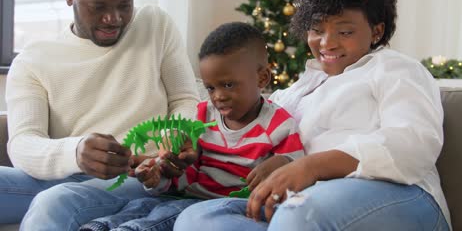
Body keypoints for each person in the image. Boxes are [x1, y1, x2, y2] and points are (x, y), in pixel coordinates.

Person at [174, 0, 452, 230]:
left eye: (344, 32)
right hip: (303, 202)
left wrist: (311, 166)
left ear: (376, 32)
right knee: (197, 218)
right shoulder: (297, 91)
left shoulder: (395, 69)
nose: (326, 43)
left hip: (401, 193)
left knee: (300, 214)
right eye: (317, 29)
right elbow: (251, 127)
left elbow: (413, 143)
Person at [0, 0, 200, 229]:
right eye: (98, 7)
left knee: (55, 201)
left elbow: (185, 99)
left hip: (137, 179)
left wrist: (174, 136)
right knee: (56, 193)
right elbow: (23, 144)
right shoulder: (33, 61)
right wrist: (76, 152)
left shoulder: (155, 24)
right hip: (64, 174)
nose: (113, 19)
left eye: (124, 5)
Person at [78, 22, 305, 230]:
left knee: (165, 215)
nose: (219, 97)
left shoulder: (280, 125)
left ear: (262, 78)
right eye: (210, 88)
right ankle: (102, 226)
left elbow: (299, 175)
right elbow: (183, 171)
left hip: (226, 206)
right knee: (145, 205)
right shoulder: (201, 115)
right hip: (184, 195)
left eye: (228, 84)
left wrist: (283, 163)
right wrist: (157, 175)